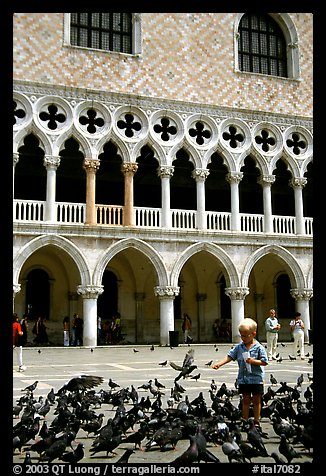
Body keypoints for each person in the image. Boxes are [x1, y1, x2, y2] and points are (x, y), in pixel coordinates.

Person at [212, 317, 268, 428]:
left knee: (257, 401)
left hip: (256, 378)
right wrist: (219, 363)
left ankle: (256, 420)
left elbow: (264, 362)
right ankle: (245, 420)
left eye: (245, 336)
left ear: (253, 334)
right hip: (243, 379)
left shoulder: (259, 348)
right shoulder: (239, 347)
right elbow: (230, 356)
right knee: (245, 400)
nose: (243, 338)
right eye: (241, 335)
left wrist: (253, 361)